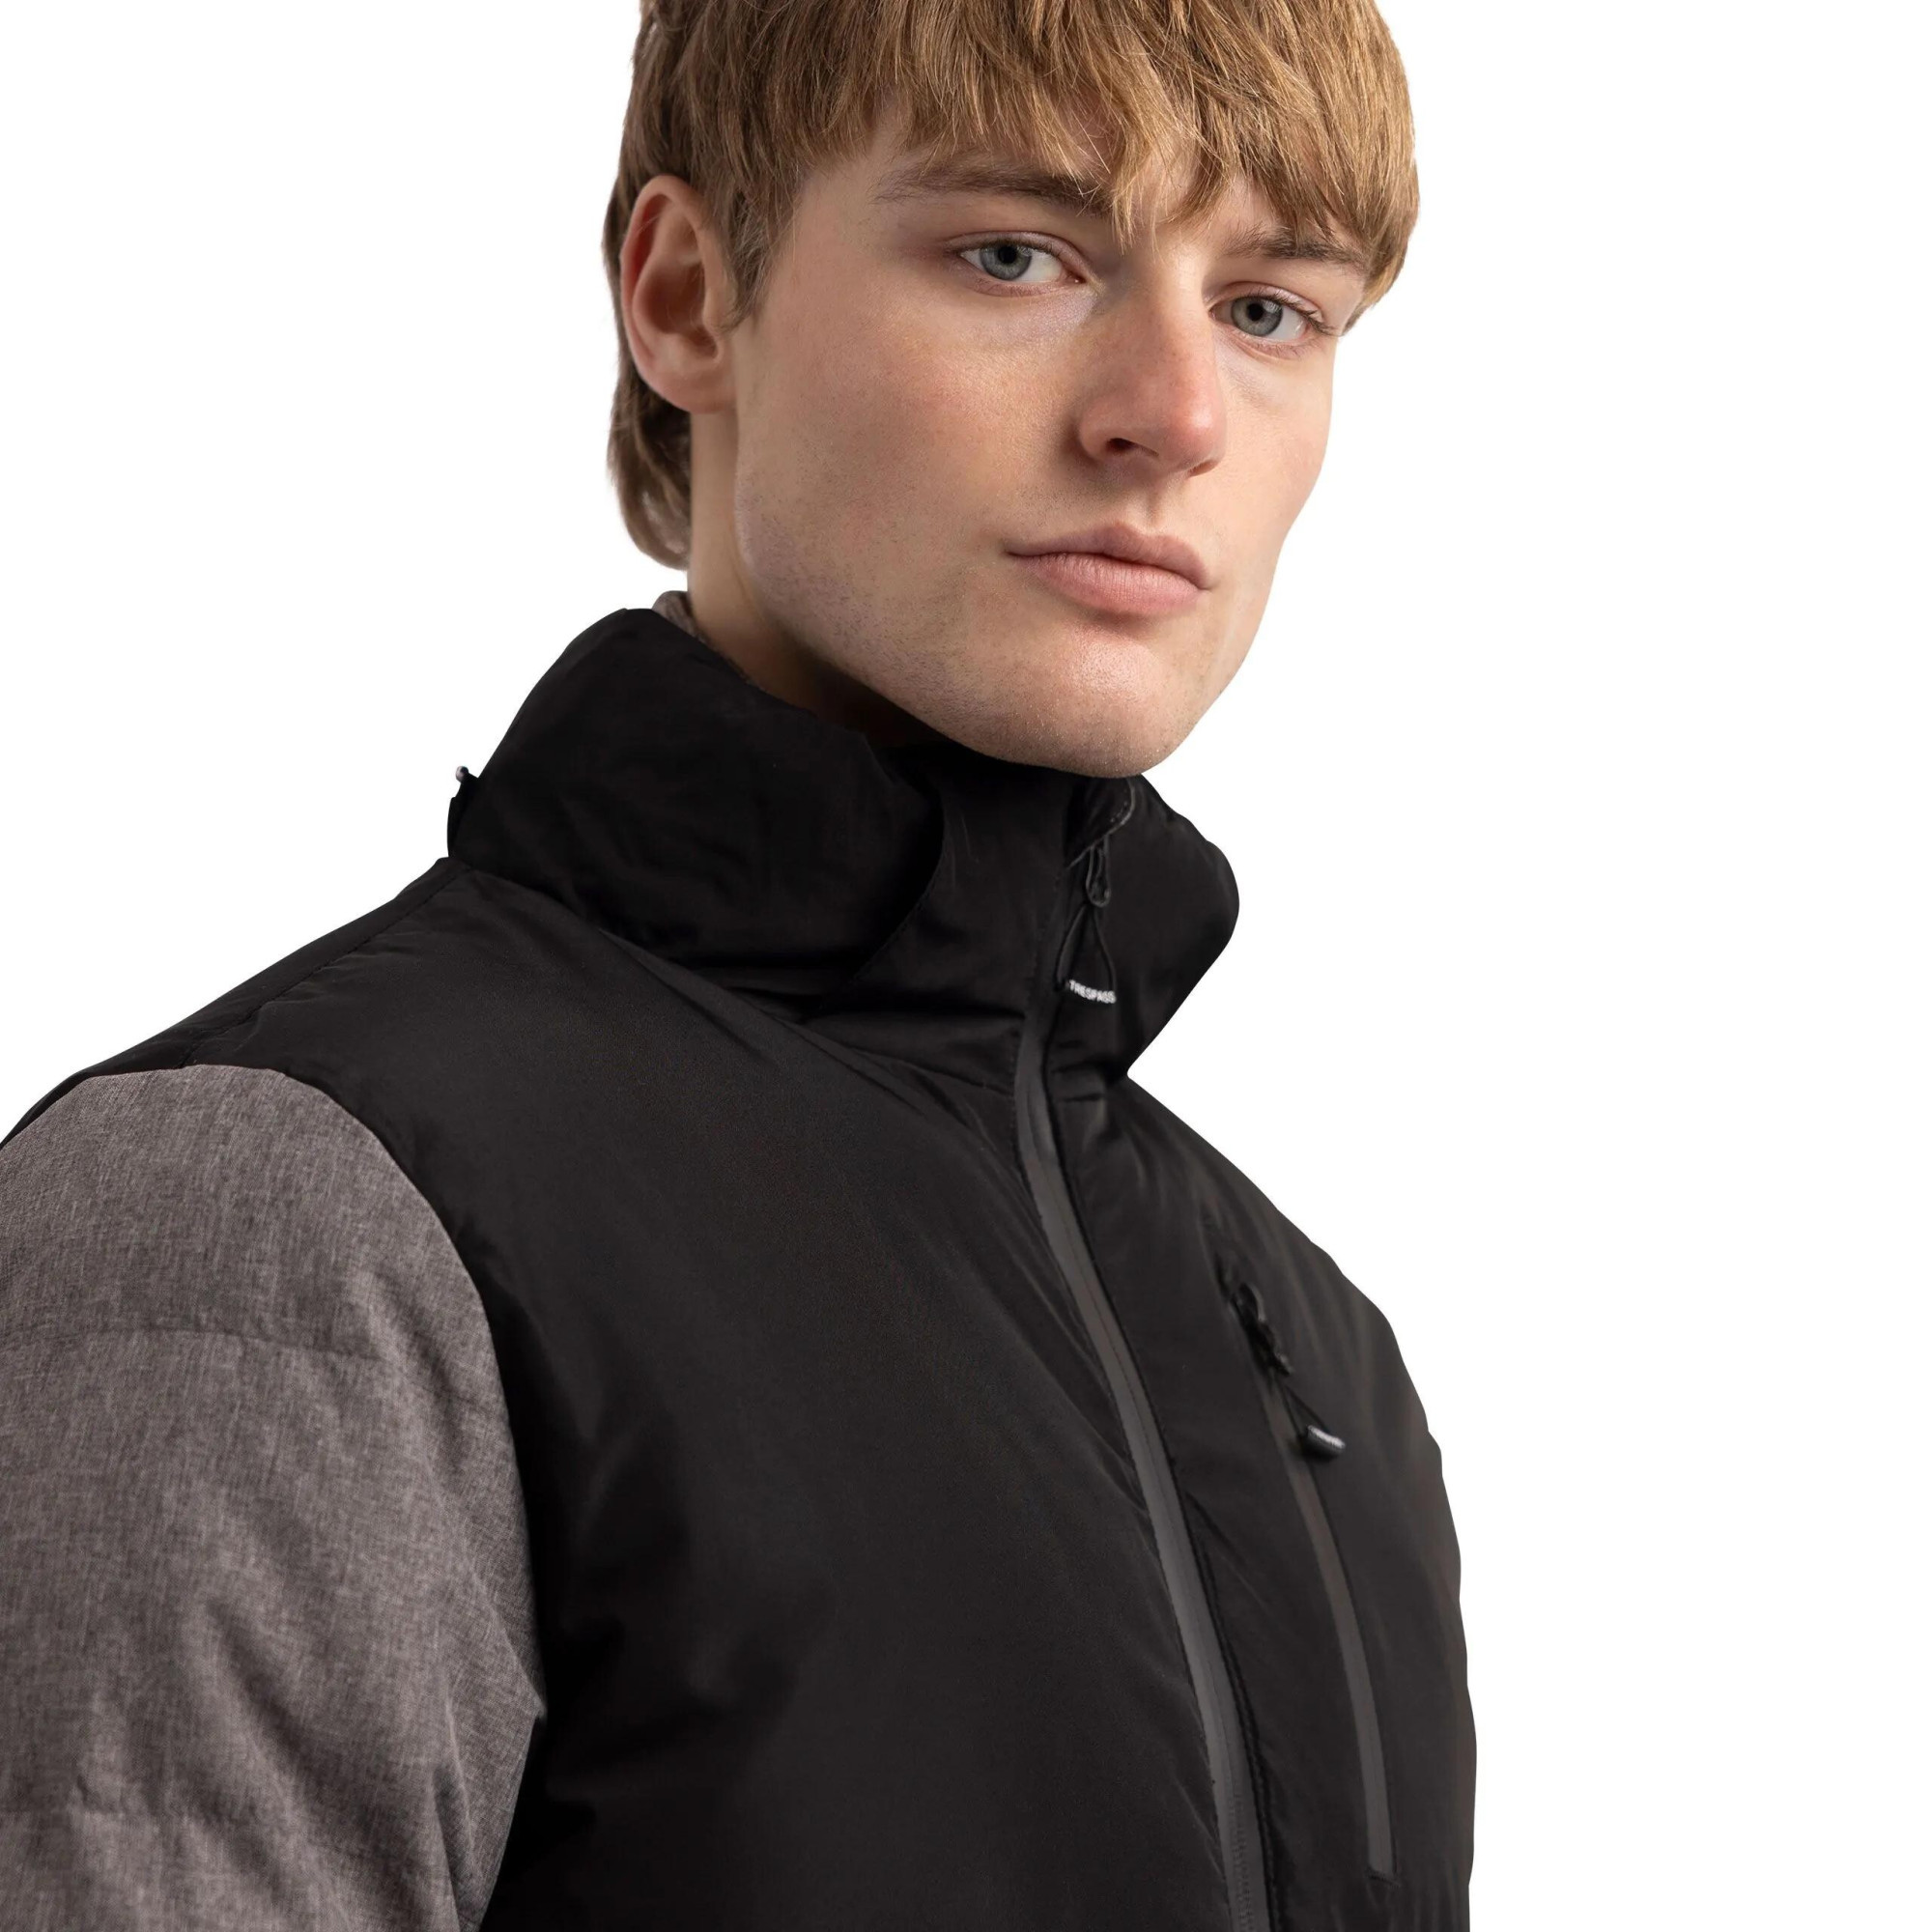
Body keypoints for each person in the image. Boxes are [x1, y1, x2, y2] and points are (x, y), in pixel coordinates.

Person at [0, 0, 1475, 1925]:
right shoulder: (284, 1211)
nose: (1175, 414)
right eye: (1016, 255)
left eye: (1270, 309)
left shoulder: (1304, 1347)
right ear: (689, 298)